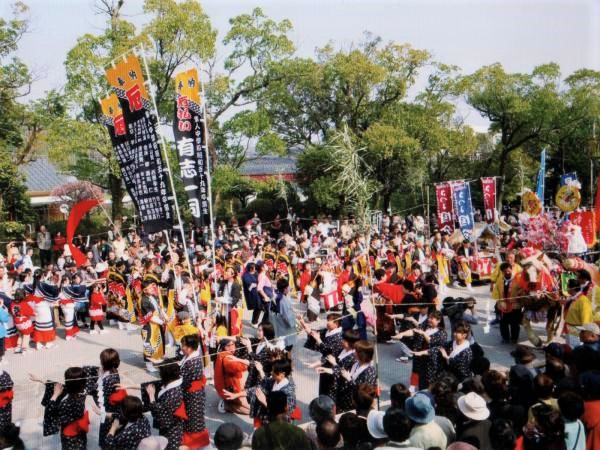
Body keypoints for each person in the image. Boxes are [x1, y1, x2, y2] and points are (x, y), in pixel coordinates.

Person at [40, 366, 90, 450]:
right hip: (81, 434)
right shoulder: (83, 392)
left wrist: (55, 395)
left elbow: (49, 411)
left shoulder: (67, 404)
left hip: (69, 437)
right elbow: (58, 385)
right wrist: (40, 380)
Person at [300, 312, 344, 398]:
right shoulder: (327, 331)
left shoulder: (339, 337)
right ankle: (321, 407)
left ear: (336, 323)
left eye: (330, 321)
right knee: (322, 389)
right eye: (327, 320)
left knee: (330, 390)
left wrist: (318, 340)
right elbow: (312, 333)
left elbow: (328, 352)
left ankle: (328, 409)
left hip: (333, 366)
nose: (327, 322)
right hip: (324, 363)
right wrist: (302, 321)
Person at [146, 359, 186, 450]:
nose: (159, 374)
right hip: (173, 423)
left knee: (169, 445)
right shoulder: (175, 381)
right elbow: (153, 385)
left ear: (166, 375)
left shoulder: (173, 394)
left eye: (160, 372)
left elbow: (158, 411)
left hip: (171, 426)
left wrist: (151, 396)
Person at [327, 340, 377, 413]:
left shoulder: (369, 371)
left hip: (353, 404)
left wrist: (349, 379)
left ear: (361, 355)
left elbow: (361, 391)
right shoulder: (356, 364)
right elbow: (344, 372)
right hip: (345, 398)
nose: (354, 352)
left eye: (356, 351)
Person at [179, 334, 209, 448]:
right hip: (191, 392)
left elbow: (185, 381)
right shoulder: (190, 356)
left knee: (194, 421)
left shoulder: (193, 362)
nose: (182, 347)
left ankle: (197, 443)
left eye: (183, 345)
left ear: (190, 347)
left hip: (193, 395)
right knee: (191, 419)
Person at [214, 338, 250, 415]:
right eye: (228, 346)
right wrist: (247, 362)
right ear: (224, 347)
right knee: (249, 411)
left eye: (233, 344)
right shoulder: (227, 358)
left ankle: (228, 401)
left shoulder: (222, 354)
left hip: (227, 387)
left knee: (249, 407)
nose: (232, 347)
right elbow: (239, 366)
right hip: (231, 389)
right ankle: (226, 405)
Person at [139, 279, 166, 372]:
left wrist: (163, 316)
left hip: (156, 324)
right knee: (149, 344)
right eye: (150, 288)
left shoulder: (153, 296)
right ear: (144, 290)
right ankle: (149, 364)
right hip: (148, 326)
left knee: (157, 342)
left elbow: (158, 308)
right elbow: (149, 317)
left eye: (152, 287)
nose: (152, 289)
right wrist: (162, 322)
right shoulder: (144, 301)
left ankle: (156, 358)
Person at [492, 262, 522, 344]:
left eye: (509, 271)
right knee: (503, 322)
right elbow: (496, 292)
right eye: (505, 271)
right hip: (503, 305)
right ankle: (505, 338)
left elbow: (522, 291)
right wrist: (499, 302)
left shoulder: (518, 279)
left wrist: (518, 298)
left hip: (514, 305)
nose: (507, 273)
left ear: (511, 269)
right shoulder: (500, 280)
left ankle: (514, 338)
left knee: (514, 323)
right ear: (502, 272)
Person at [271, 278, 296, 352]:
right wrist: (294, 323)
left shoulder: (277, 296)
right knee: (288, 345)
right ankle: (287, 359)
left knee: (283, 343)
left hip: (278, 323)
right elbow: (287, 317)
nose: (289, 288)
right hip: (285, 326)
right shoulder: (283, 300)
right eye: (288, 287)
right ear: (285, 289)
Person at [9, 288, 34, 354]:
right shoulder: (23, 303)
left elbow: (12, 312)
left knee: (20, 334)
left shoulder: (12, 303)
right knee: (26, 335)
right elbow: (30, 312)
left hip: (17, 321)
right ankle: (25, 349)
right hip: (23, 321)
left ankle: (18, 347)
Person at [242, 263, 261, 327]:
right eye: (254, 268)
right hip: (251, 294)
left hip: (257, 293)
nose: (255, 269)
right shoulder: (246, 276)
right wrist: (253, 285)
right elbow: (249, 287)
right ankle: (254, 322)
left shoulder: (256, 274)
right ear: (250, 268)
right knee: (257, 307)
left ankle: (254, 321)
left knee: (258, 307)